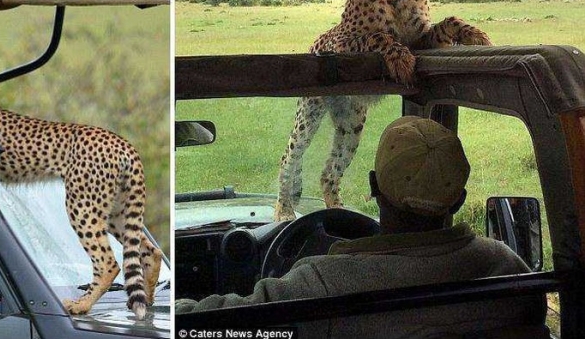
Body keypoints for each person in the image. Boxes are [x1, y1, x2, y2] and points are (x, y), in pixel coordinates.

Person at [177, 116, 545, 337]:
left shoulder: (323, 286)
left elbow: (208, 325)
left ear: (373, 186)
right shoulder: (511, 272)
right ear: (459, 200)